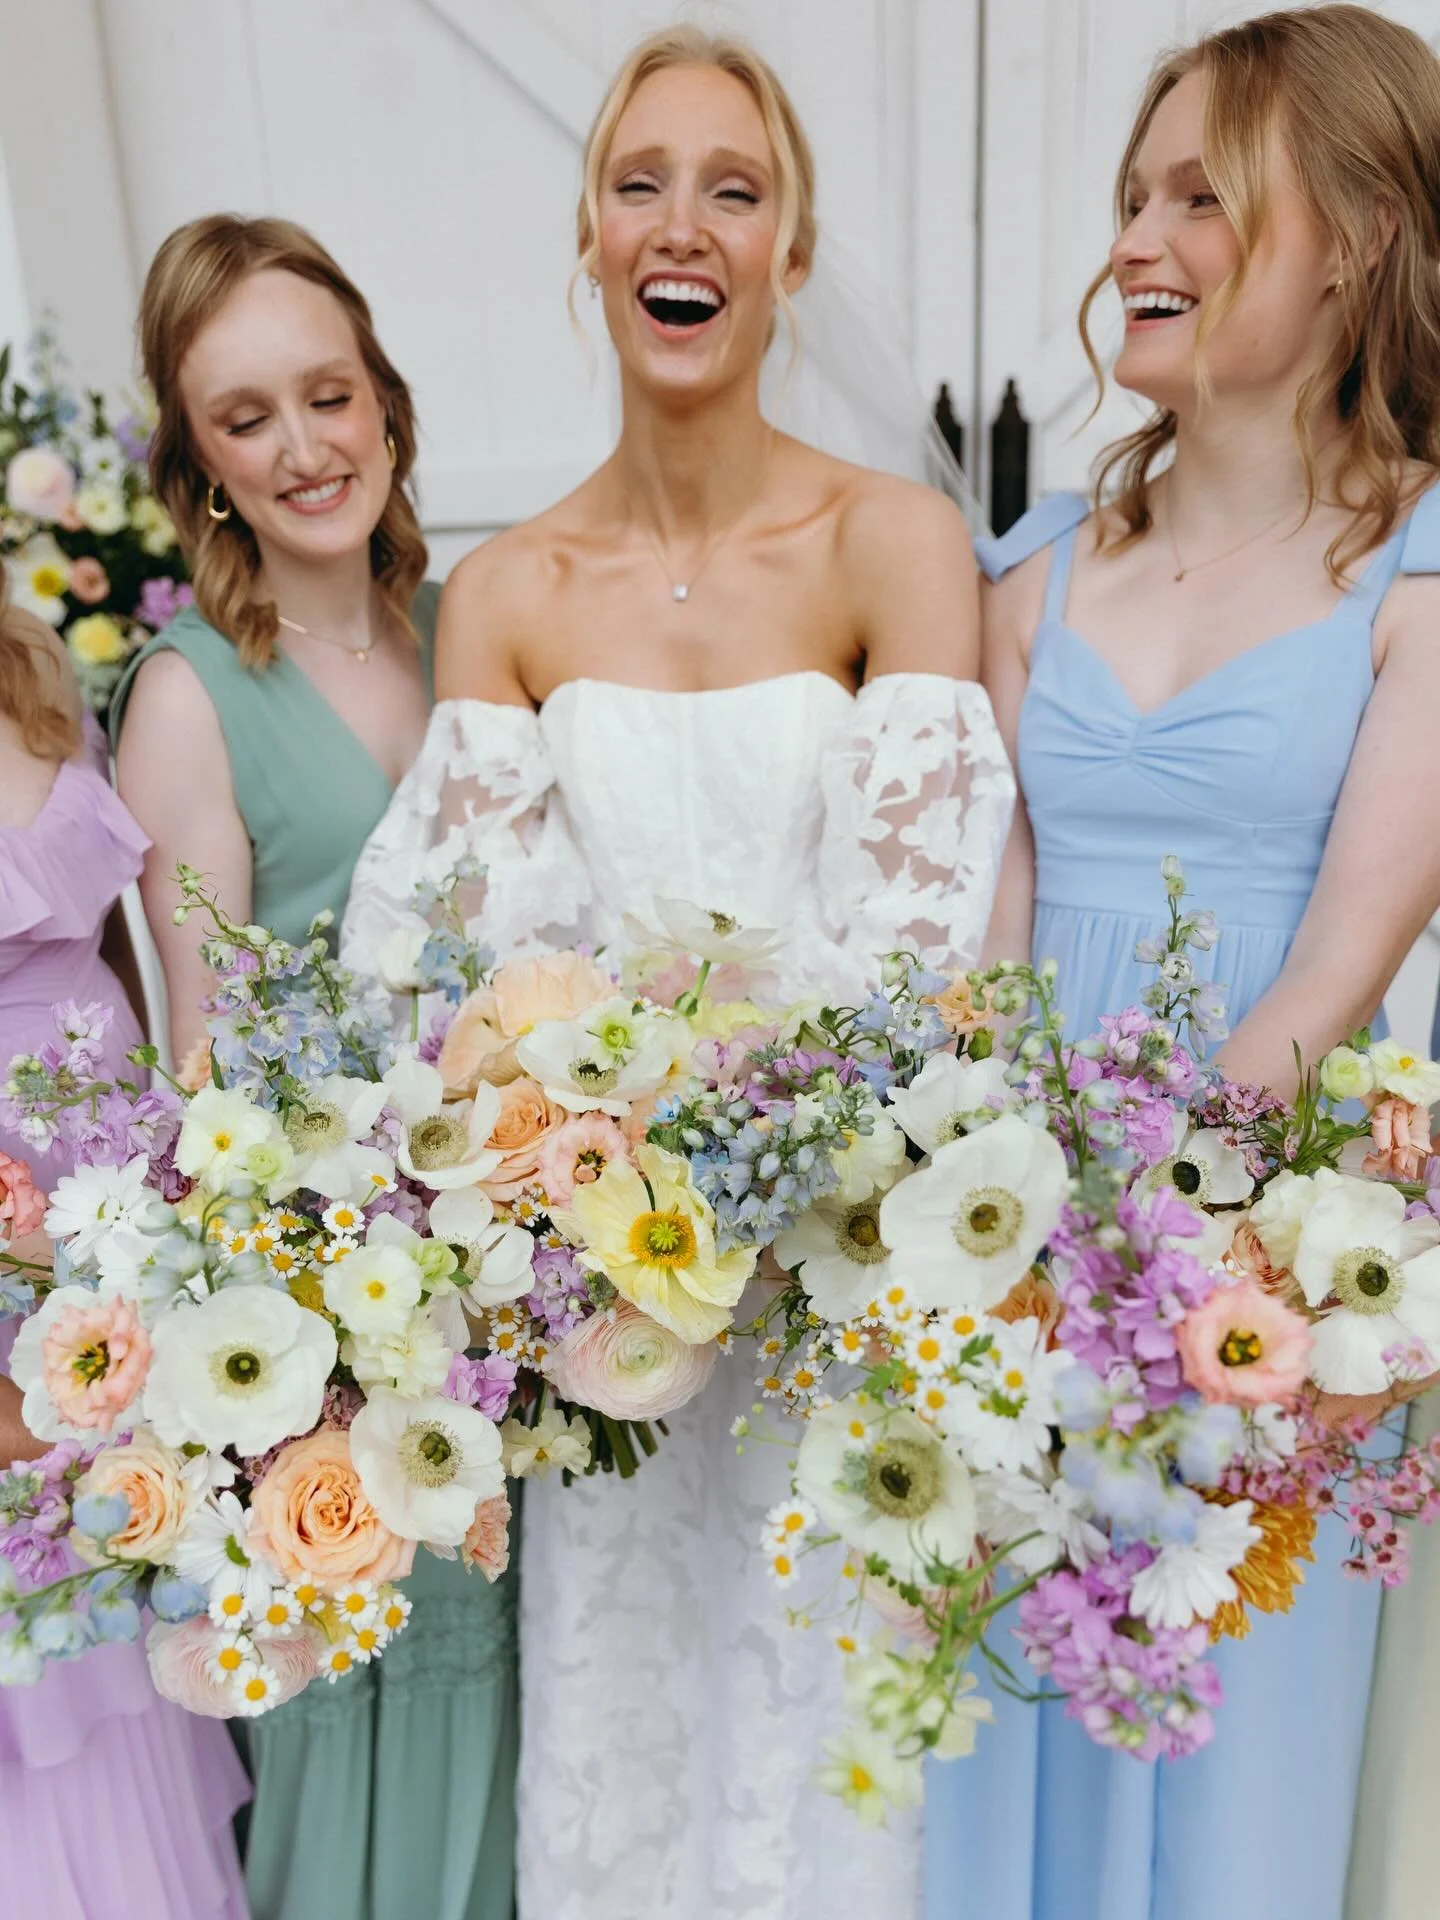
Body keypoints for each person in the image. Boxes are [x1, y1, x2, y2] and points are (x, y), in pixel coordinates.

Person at [341, 26, 1013, 1920]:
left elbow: (928, 940)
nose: (683, 221)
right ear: (589, 233)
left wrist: (765, 1154)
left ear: (789, 254)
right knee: (627, 1756)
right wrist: (565, 1161)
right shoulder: (511, 590)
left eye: (736, 186)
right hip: (607, 1324)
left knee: (827, 1751)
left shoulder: (894, 540)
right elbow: (450, 971)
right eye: (642, 181)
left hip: (832, 1284)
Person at [945, 11, 1440, 1920]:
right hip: (1003, 1264)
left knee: (1228, 1793)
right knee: (1000, 1766)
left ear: (1365, 234)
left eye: (1203, 197)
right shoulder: (1031, 569)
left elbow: (1331, 982)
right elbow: (985, 946)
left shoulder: (1414, 576)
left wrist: (1154, 1272)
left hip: (1261, 1272)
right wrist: (978, 1237)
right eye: (1132, 197)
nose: (1137, 240)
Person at [110, 216, 517, 1920]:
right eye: (246, 419)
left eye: (327, 394)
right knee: (362, 1734)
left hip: (515, 1290)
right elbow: (198, 1078)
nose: (303, 448)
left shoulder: (471, 633)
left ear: (387, 403)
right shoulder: (192, 701)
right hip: (338, 1333)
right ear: (199, 466)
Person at [0, 592, 251, 1919]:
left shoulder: (33, 656)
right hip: (7, 1255)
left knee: (124, 1554)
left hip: (110, 1225)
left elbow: (105, 948)